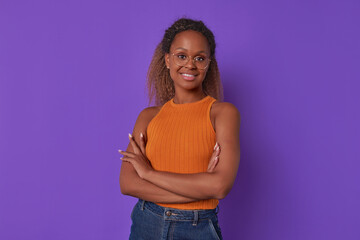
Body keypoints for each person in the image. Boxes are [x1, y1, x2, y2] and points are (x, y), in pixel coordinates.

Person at [119, 18, 241, 240]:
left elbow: (220, 186)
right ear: (167, 59)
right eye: (182, 56)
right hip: (147, 223)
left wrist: (148, 173)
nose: (190, 65)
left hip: (197, 227)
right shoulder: (148, 117)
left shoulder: (222, 113)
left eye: (200, 58)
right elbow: (127, 184)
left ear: (209, 63)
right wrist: (200, 187)